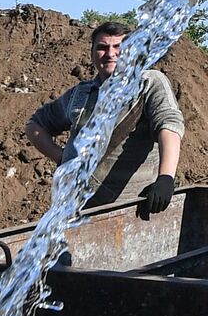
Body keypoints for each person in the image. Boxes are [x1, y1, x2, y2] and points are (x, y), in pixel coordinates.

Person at [25, 20, 185, 215]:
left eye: (119, 47)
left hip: (131, 210)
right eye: (102, 48)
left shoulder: (149, 83)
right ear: (92, 54)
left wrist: (166, 177)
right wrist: (62, 158)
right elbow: (36, 125)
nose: (110, 54)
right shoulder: (80, 94)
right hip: (75, 209)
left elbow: (169, 125)